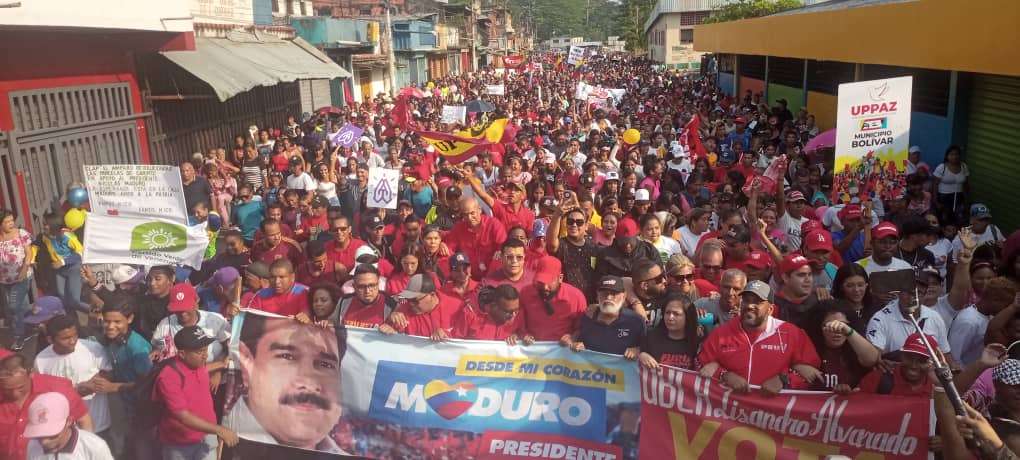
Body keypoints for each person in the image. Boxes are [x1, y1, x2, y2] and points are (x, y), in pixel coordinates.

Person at [227, 314, 348, 454]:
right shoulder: (221, 442)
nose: (309, 383)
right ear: (246, 361)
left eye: (325, 364)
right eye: (287, 356)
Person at [698, 280, 822, 394]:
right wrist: (724, 375)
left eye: (757, 302)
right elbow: (699, 365)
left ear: (770, 309)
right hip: (728, 412)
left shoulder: (791, 334)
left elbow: (813, 374)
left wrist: (784, 380)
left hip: (771, 415)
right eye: (746, 300)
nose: (750, 305)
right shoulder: (721, 333)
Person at [154, 326, 238, 459]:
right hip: (180, 445)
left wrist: (221, 364)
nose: (205, 355)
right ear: (182, 354)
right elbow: (183, 416)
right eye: (200, 351)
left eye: (206, 349)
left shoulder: (197, 364)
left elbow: (203, 370)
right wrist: (218, 429)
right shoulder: (168, 377)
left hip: (207, 437)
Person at [32, 314, 113, 439]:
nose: (72, 341)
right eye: (65, 338)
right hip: (65, 430)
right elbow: (43, 393)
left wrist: (94, 384)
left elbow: (108, 372)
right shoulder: (41, 360)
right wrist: (75, 392)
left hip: (98, 424)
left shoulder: (93, 348)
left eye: (75, 335)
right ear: (50, 339)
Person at [0, 353, 93, 460]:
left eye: (20, 387)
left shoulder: (57, 388)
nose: (15, 394)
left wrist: (84, 452)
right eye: (7, 389)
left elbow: (84, 420)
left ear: (31, 374)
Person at [150, 283, 231, 385]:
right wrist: (157, 351)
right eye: (178, 309)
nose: (182, 313)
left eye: (186, 307)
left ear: (196, 302)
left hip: (213, 383)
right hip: (181, 383)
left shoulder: (215, 320)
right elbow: (156, 349)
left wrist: (218, 371)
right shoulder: (165, 325)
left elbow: (230, 349)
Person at [806, 301, 880, 392]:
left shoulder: (855, 348)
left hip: (850, 404)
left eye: (843, 326)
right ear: (818, 327)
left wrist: (848, 331)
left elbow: (872, 359)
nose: (837, 332)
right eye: (831, 326)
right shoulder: (808, 347)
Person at [23, 392, 114, 460]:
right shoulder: (33, 445)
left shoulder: (94, 446)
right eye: (39, 435)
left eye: (51, 435)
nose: (44, 442)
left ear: (69, 421)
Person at [571, 276, 644, 358]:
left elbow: (648, 349)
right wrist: (576, 344)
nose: (608, 298)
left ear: (624, 296)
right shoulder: (587, 317)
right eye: (604, 293)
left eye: (614, 294)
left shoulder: (635, 321)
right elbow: (577, 340)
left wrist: (638, 350)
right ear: (597, 295)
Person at [519, 256, 588, 343]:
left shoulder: (576, 297)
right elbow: (519, 324)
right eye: (540, 282)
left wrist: (572, 337)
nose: (545, 287)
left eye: (549, 281)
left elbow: (582, 329)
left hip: (562, 352)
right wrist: (524, 335)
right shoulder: (525, 293)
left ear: (560, 278)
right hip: (532, 350)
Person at [950, 277, 1015, 366]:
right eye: (1006, 305)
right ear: (995, 299)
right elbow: (954, 356)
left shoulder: (989, 316)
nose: (1006, 309)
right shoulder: (968, 321)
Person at [380, 274, 463, 340]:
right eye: (408, 299)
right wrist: (389, 325)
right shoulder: (403, 310)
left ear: (432, 295)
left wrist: (448, 337)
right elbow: (390, 337)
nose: (411, 304)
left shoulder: (458, 307)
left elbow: (472, 343)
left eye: (415, 300)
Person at [857, 332, 937, 397]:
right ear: (901, 356)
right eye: (909, 358)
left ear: (932, 364)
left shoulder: (938, 387)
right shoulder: (878, 378)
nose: (913, 365)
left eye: (922, 361)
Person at [445, 198, 507, 280]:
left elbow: (505, 249)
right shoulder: (458, 228)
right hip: (468, 278)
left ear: (479, 210)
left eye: (472, 213)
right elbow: (448, 250)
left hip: (493, 278)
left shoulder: (494, 225)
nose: (469, 218)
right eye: (465, 215)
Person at [547, 205, 599, 301]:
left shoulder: (593, 247)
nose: (574, 225)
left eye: (579, 222)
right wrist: (557, 215)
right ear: (566, 224)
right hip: (565, 301)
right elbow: (551, 244)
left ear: (586, 226)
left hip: (589, 301)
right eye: (570, 221)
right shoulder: (561, 245)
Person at [638, 294, 700, 370]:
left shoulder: (698, 342)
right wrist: (641, 355)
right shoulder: (650, 336)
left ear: (688, 316)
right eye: (667, 313)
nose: (670, 318)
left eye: (676, 314)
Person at [452, 284, 531, 344]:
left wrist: (519, 337)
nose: (513, 315)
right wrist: (441, 334)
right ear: (494, 306)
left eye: (516, 310)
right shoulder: (470, 314)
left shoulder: (518, 315)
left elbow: (522, 333)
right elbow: (454, 343)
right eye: (508, 311)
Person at [0, 209, 33, 342]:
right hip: (4, 279)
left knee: (14, 306)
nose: (11, 223)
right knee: (20, 306)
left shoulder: (21, 233)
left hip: (21, 276)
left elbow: (29, 253)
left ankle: (18, 336)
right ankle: (30, 327)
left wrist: (24, 269)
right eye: (7, 221)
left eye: (12, 220)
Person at [337, 264, 396, 329]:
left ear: (378, 283)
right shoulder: (343, 302)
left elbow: (402, 335)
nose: (367, 291)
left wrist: (393, 332)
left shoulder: (391, 305)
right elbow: (331, 325)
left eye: (372, 285)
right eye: (361, 286)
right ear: (354, 286)